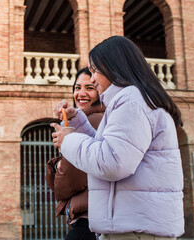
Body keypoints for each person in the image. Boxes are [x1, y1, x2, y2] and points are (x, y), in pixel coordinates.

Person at [50, 36, 184, 240]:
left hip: (136, 230)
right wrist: (76, 120)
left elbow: (112, 162)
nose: (92, 79)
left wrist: (67, 141)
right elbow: (111, 147)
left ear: (113, 66)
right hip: (137, 226)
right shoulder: (135, 99)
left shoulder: (131, 101)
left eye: (95, 70)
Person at [46, 67, 104, 240]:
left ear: (100, 90)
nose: (81, 94)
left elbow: (65, 185)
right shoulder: (87, 120)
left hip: (90, 218)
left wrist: (58, 165)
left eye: (89, 88)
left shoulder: (96, 119)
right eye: (77, 88)